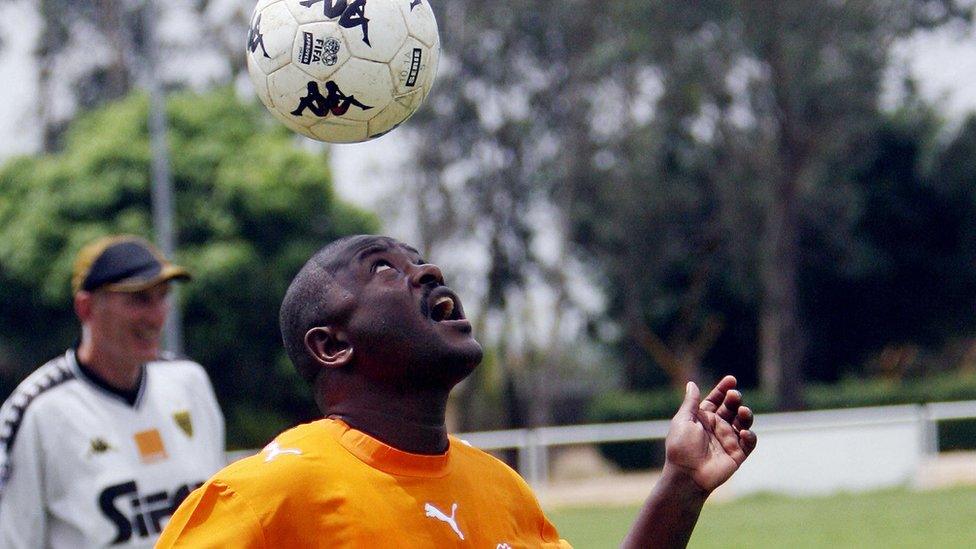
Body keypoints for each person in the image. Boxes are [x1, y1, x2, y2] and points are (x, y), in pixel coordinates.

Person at [158, 234, 756, 548]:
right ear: (332, 346)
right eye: (384, 269)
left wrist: (680, 488)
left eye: (421, 260)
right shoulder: (264, 497)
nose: (429, 272)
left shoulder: (499, 487)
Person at [0, 235, 226, 548]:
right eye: (139, 299)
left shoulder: (189, 382)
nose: (157, 315)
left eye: (163, 296)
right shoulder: (37, 409)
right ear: (86, 307)